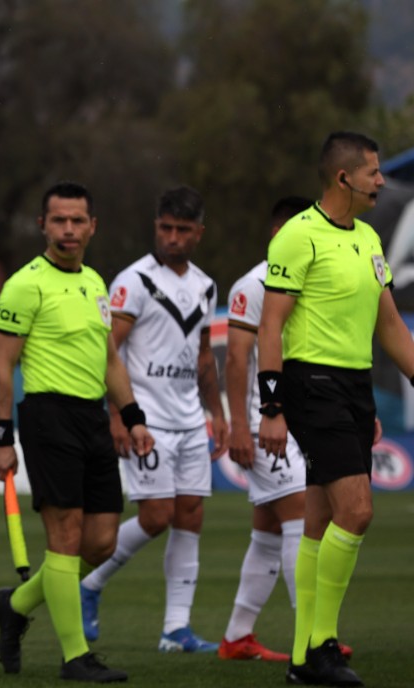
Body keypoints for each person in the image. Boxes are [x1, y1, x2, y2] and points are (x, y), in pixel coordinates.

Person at [257, 131, 414, 687]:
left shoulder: (369, 238)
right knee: (359, 511)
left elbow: (389, 324)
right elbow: (270, 327)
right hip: (309, 384)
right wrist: (271, 406)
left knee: (323, 520)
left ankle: (303, 661)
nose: (381, 181)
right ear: (344, 178)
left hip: (353, 386)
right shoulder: (298, 237)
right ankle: (324, 646)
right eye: (373, 172)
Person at [0, 181, 153, 683]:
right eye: (58, 220)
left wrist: (133, 415)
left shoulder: (97, 283)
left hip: (92, 419)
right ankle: (75, 655)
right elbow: (0, 366)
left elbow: (109, 360)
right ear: (43, 226)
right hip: (47, 417)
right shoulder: (24, 284)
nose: (68, 230)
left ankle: (14, 604)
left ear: (92, 226)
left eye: (77, 221)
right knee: (64, 538)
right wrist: (2, 439)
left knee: (101, 541)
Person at [79, 186, 227, 653]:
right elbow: (108, 351)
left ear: (199, 233)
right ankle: (90, 582)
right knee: (156, 515)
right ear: (156, 227)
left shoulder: (205, 285)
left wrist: (217, 413)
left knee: (190, 515)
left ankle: (175, 630)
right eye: (166, 228)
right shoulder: (133, 282)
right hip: (147, 421)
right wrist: (118, 416)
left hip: (189, 421)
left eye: (183, 230)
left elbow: (204, 357)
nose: (173, 238)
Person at [218, 196, 314, 662]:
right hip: (265, 423)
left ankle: (238, 637)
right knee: (300, 515)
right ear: (279, 235)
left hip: (303, 420)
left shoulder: (308, 280)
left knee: (269, 530)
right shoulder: (253, 284)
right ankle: (313, 639)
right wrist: (240, 424)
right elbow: (236, 358)